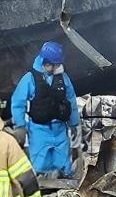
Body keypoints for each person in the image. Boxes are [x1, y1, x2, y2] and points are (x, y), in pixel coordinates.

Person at [11, 41, 80, 178]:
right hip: (39, 130)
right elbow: (18, 102)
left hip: (59, 128)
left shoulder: (63, 78)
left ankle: (65, 184)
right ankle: (41, 186)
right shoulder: (30, 78)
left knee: (63, 163)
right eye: (56, 65)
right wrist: (21, 125)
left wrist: (73, 123)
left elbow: (71, 99)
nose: (59, 67)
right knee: (40, 164)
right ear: (47, 64)